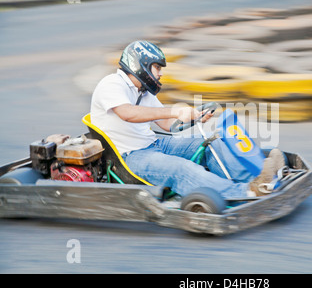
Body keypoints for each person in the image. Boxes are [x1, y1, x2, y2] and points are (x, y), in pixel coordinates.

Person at [90, 40, 285, 199]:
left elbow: (167, 125)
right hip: (129, 158)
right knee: (182, 169)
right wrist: (175, 111)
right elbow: (128, 113)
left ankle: (259, 179)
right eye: (156, 67)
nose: (160, 73)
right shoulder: (112, 84)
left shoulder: (143, 91)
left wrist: (196, 118)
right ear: (139, 65)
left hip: (155, 144)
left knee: (210, 143)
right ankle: (246, 192)